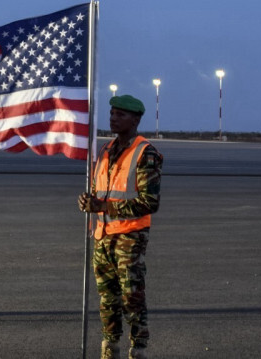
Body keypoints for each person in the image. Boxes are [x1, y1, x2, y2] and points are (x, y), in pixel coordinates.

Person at [78, 95, 163, 359]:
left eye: (120, 115)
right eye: (112, 113)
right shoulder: (104, 150)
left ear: (135, 119)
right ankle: (109, 346)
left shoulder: (145, 152)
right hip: (102, 236)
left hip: (130, 236)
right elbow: (100, 192)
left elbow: (149, 202)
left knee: (132, 297)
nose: (113, 118)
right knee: (107, 298)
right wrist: (88, 202)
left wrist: (104, 208)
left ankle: (138, 349)